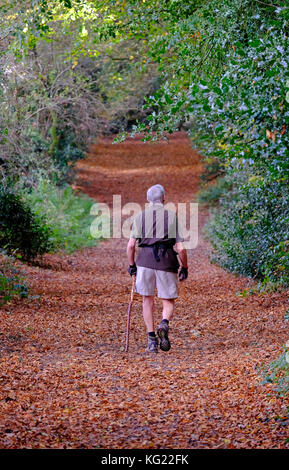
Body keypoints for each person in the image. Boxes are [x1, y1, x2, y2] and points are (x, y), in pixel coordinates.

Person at [126, 184, 188, 353]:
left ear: (148, 199)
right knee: (167, 300)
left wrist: (132, 266)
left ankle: (152, 341)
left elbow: (131, 246)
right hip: (166, 261)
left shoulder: (139, 217)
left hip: (144, 262)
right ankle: (164, 323)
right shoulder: (172, 217)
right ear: (164, 198)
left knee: (147, 299)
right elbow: (181, 248)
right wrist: (185, 267)